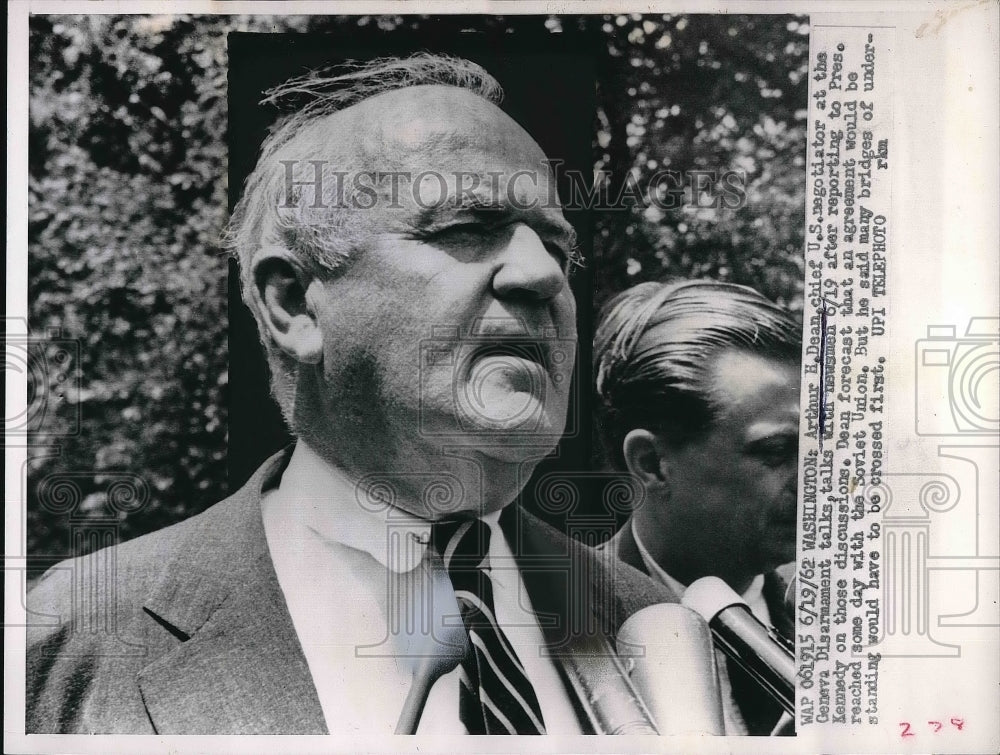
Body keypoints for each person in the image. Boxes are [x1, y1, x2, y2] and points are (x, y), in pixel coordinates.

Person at [26, 53, 674, 736]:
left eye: (557, 247)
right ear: (294, 305)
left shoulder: (655, 625)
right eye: (463, 229)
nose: (543, 275)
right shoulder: (70, 642)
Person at [593, 279, 801, 735]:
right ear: (652, 464)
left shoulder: (838, 635)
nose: (814, 481)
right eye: (776, 451)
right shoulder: (550, 631)